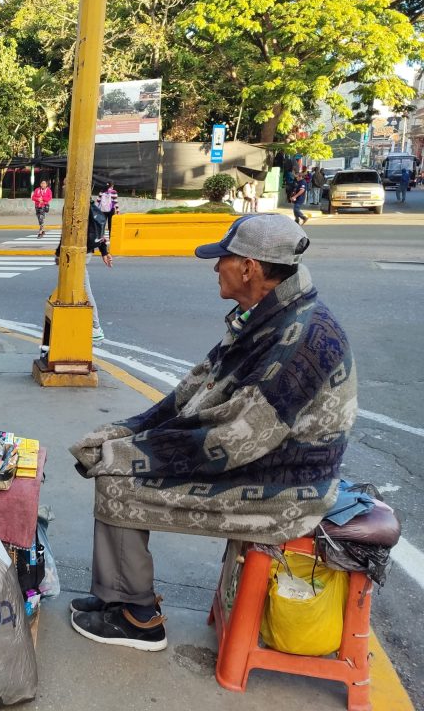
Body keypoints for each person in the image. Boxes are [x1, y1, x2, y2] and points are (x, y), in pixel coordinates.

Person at [67, 214, 356, 652]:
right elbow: (192, 391)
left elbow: (236, 442)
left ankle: (138, 618)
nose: (214, 267)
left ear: (250, 268)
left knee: (118, 480)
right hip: (258, 457)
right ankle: (116, 597)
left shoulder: (302, 339)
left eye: (223, 258)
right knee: (117, 454)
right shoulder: (266, 314)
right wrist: (122, 431)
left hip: (286, 482)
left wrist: (126, 454)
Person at [54, 199, 114, 344]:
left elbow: (68, 231)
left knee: (84, 288)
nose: (63, 186)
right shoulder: (90, 205)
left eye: (65, 183)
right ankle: (77, 323)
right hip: (86, 251)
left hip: (77, 252)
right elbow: (98, 231)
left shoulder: (74, 205)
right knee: (76, 286)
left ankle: (95, 327)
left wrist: (58, 252)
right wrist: (104, 252)